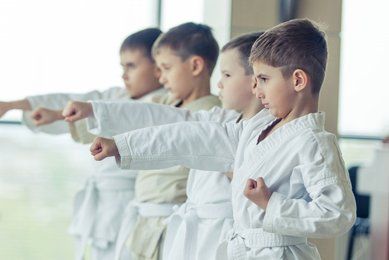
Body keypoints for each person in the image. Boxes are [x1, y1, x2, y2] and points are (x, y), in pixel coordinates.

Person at [87, 19, 357, 259]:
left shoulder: (314, 142)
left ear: (298, 80)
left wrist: (271, 204)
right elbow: (193, 137)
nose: (256, 88)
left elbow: (337, 214)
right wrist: (122, 145)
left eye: (263, 78)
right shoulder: (256, 127)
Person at [63, 32, 264, 260]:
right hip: (197, 234)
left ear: (256, 80)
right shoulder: (220, 119)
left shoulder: (266, 135)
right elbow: (165, 120)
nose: (219, 83)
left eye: (227, 75)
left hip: (225, 239)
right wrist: (99, 115)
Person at [0, 28, 165, 260]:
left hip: (132, 205)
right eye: (122, 67)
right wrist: (14, 105)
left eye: (132, 66)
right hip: (104, 208)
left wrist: (58, 114)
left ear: (159, 67)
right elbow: (76, 101)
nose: (124, 75)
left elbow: (113, 116)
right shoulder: (117, 95)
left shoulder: (163, 105)